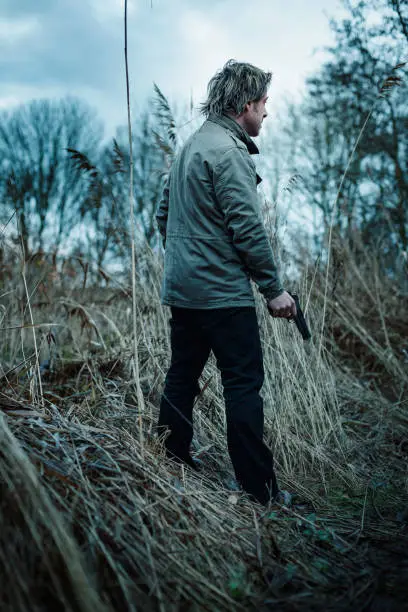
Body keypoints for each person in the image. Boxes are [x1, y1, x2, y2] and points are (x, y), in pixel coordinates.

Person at [155, 59, 296, 506]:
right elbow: (248, 228)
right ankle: (260, 492)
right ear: (246, 104)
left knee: (182, 377)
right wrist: (273, 289)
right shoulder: (228, 152)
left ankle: (167, 464)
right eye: (264, 104)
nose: (267, 113)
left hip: (184, 291)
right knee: (242, 385)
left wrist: (187, 262)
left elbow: (163, 214)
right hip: (222, 295)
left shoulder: (192, 146)